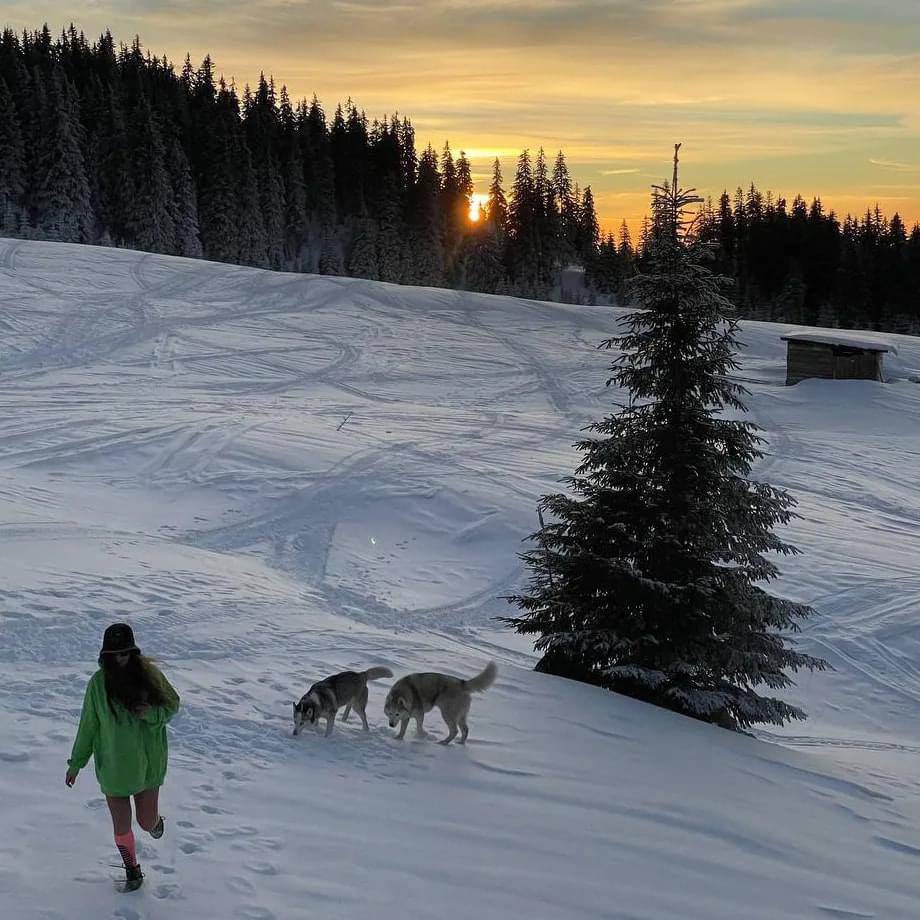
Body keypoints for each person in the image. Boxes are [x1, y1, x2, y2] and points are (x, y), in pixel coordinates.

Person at [66, 623, 180, 891]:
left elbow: (172, 704)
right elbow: (88, 726)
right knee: (121, 824)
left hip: (148, 765)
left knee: (145, 821)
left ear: (133, 652)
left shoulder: (150, 676)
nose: (120, 659)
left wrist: (150, 713)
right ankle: (132, 871)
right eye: (114, 654)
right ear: (105, 655)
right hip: (114, 766)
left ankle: (155, 823)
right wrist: (76, 763)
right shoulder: (97, 684)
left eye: (125, 653)